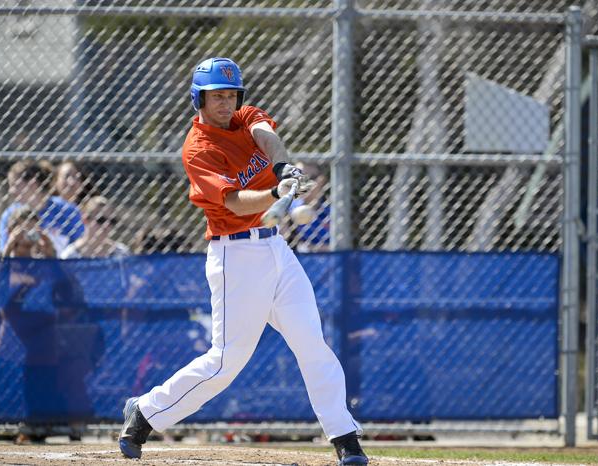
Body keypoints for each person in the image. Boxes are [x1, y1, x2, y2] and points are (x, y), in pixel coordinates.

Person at [118, 57, 368, 465]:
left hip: (276, 250)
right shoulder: (198, 148)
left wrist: (283, 168)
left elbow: (265, 134)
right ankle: (145, 412)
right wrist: (275, 196)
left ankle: (345, 439)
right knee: (226, 362)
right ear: (198, 98)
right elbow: (233, 202)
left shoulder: (242, 117)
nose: (226, 102)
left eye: (231, 94)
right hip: (235, 255)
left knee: (312, 343)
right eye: (217, 96)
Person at [0, 160, 84, 255]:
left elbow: (81, 244)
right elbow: (4, 254)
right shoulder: (9, 214)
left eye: (15, 185)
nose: (11, 191)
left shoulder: (67, 210)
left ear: (32, 183)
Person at [60, 196, 130, 259]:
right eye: (101, 220)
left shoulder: (122, 253)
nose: (107, 225)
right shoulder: (70, 256)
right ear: (85, 220)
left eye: (112, 221)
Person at [289, 162, 331, 252]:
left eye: (310, 178)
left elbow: (341, 247)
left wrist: (312, 248)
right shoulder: (286, 208)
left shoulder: (332, 210)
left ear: (321, 180)